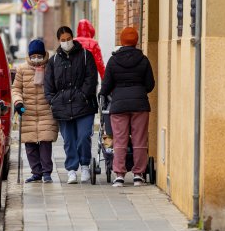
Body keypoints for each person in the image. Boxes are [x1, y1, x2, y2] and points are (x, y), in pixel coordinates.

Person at [99, 27, 155, 187]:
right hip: (140, 104)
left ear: (122, 41)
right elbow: (150, 85)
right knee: (139, 139)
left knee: (120, 140)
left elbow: (106, 85)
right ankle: (138, 175)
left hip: (119, 105)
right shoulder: (143, 60)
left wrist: (105, 93)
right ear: (136, 41)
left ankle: (119, 175)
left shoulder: (114, 60)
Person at [44, 26, 98, 184]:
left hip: (84, 105)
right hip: (62, 106)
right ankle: (72, 170)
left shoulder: (86, 56)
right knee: (68, 140)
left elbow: (91, 78)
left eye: (68, 39)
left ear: (73, 38)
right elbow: (49, 85)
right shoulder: (54, 61)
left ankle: (85, 165)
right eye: (63, 40)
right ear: (58, 41)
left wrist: (83, 95)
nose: (66, 42)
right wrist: (53, 100)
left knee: (83, 136)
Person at [12, 39, 59, 183]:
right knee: (30, 144)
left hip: (47, 111)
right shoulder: (22, 69)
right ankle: (36, 172)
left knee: (45, 143)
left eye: (39, 56)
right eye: (33, 56)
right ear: (29, 55)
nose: (36, 59)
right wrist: (18, 102)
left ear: (44, 54)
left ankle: (46, 172)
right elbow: (16, 89)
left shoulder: (51, 67)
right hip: (28, 111)